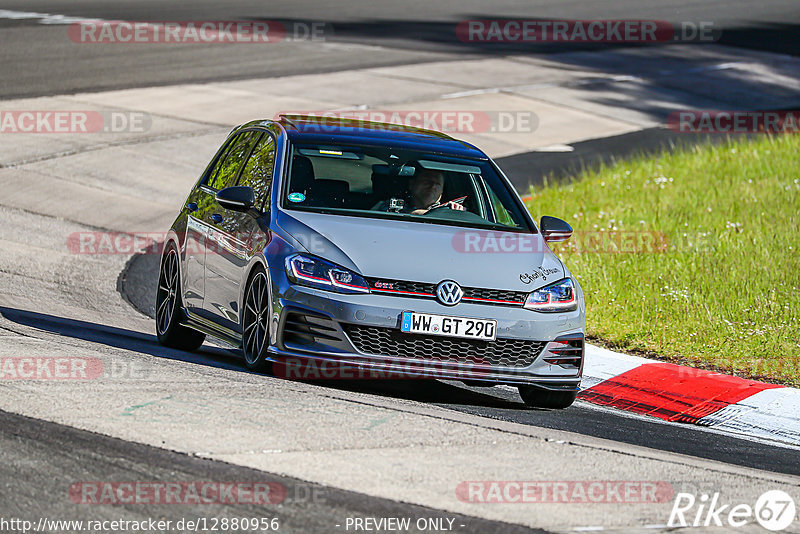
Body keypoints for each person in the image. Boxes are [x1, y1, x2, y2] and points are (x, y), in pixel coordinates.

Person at [373, 167, 465, 215]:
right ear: (412, 184)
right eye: (427, 181)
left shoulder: (451, 211)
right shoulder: (393, 205)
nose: (433, 186)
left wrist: (456, 214)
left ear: (442, 191)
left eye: (438, 184)